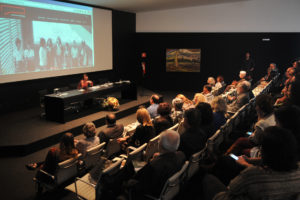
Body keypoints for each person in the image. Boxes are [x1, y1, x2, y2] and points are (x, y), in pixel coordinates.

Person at [209, 126, 300, 200]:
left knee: (209, 179)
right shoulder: (297, 169)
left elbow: (232, 188)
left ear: (265, 152)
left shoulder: (254, 174)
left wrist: (246, 164)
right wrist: (249, 161)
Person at [127, 130, 186, 200]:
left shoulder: (153, 166)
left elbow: (141, 186)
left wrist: (129, 183)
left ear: (160, 144)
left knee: (130, 169)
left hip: (151, 191)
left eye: (159, 140)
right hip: (164, 182)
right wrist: (159, 157)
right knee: (133, 164)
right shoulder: (181, 155)